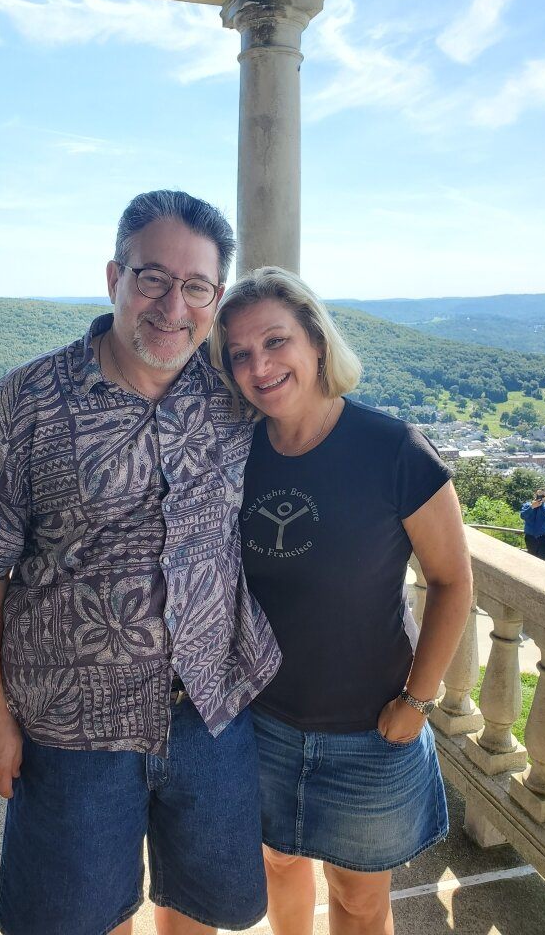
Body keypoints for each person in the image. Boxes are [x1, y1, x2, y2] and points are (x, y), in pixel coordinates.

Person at [0, 191, 281, 935]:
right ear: (114, 276)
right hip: (70, 728)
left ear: (215, 299)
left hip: (208, 713)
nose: (171, 305)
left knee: (199, 908)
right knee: (76, 919)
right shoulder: (25, 404)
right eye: (152, 278)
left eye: (196, 287)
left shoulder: (234, 395)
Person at [210, 267, 473, 935]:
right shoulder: (238, 455)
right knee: (278, 868)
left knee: (358, 900)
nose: (259, 365)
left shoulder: (393, 450)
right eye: (240, 354)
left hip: (369, 732)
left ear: (317, 343)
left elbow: (452, 582)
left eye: (276, 342)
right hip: (264, 722)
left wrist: (416, 703)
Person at [520, 487, 545, 561]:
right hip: (530, 539)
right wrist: (532, 507)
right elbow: (522, 516)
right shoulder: (527, 505)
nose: (540, 497)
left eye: (542, 496)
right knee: (531, 561)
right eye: (538, 495)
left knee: (543, 562)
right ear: (535, 495)